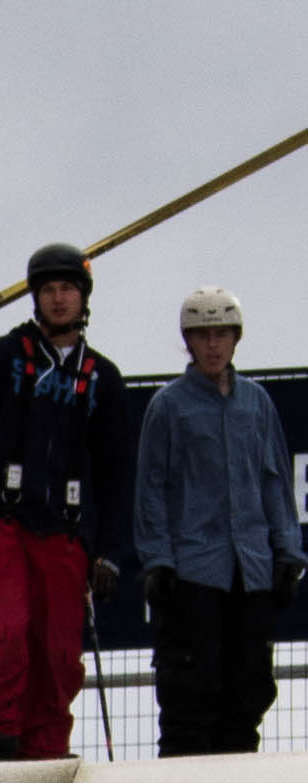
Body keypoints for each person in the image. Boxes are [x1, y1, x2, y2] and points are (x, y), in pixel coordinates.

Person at [0, 243, 132, 763]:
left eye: (67, 289)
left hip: (68, 534)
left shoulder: (101, 378)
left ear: (83, 296)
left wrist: (111, 550)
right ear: (35, 297)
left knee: (57, 648)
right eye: (48, 290)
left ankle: (47, 749)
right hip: (4, 524)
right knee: (3, 628)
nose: (57, 299)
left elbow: (118, 474)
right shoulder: (2, 359)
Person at [134, 284, 305, 757]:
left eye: (222, 334)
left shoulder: (257, 403)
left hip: (250, 571)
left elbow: (275, 482)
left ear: (236, 338)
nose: (213, 344)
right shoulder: (168, 406)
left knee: (248, 688)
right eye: (203, 334)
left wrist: (287, 554)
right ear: (188, 342)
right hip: (193, 572)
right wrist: (158, 561)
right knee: (191, 689)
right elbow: (151, 489)